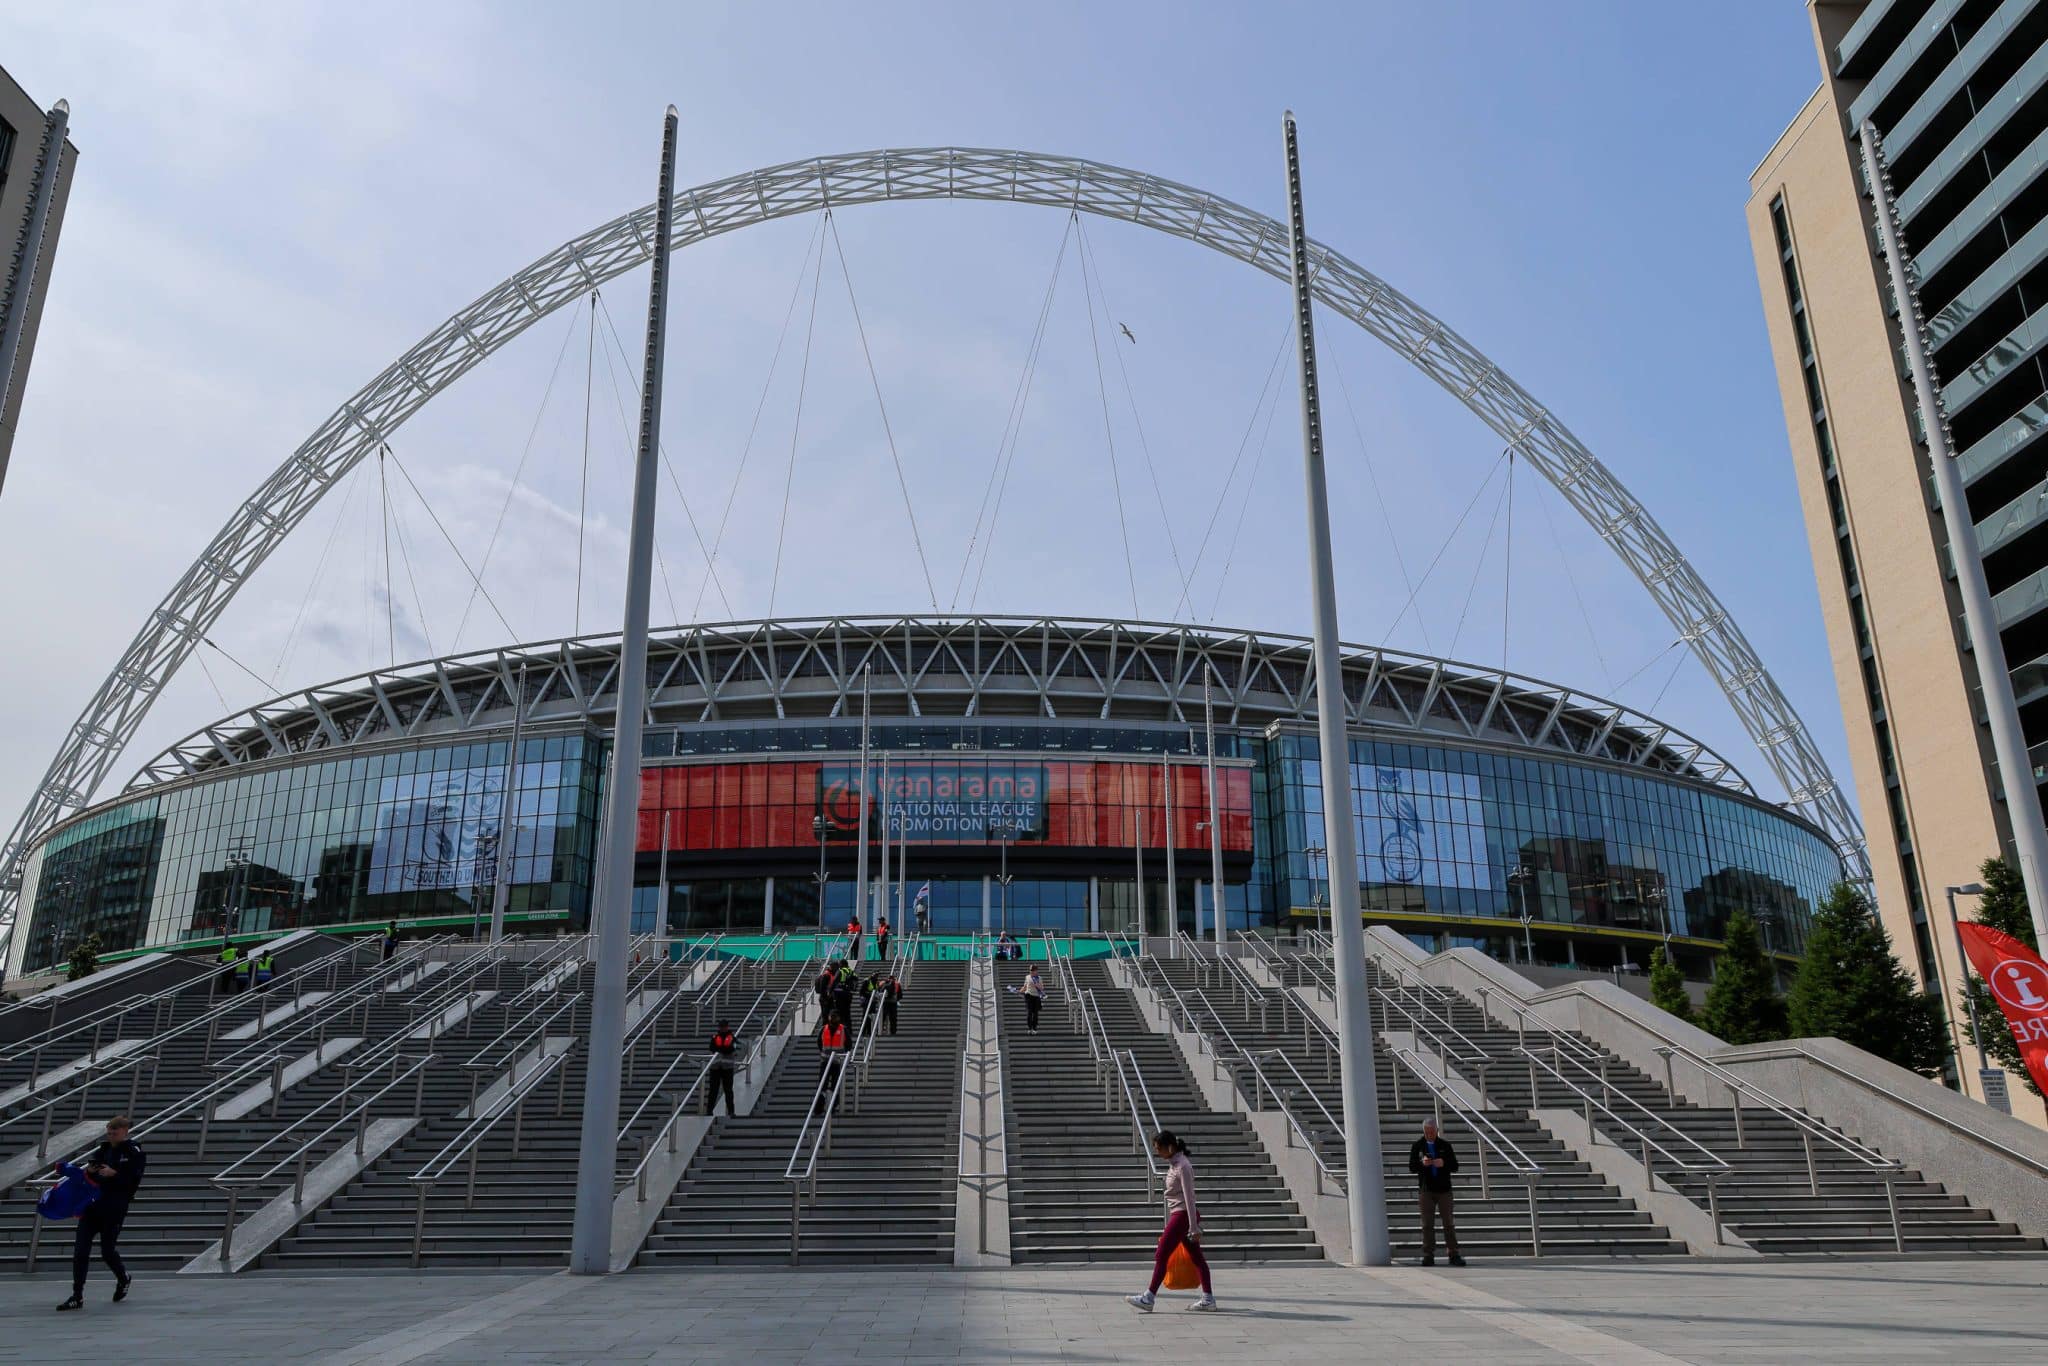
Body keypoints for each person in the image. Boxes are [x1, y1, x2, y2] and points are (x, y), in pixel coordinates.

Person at [55, 1116, 145, 1311]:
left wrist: (115, 1174)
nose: (112, 1135)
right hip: (92, 1206)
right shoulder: (103, 1150)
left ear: (125, 1131)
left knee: (107, 1250)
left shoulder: (133, 1152)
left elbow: (134, 1180)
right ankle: (77, 1295)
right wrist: (90, 1171)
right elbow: (90, 1175)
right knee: (81, 1250)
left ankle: (123, 1277)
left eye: (115, 1132)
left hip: (114, 1207)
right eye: (110, 1132)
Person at [1126, 1129, 1215, 1312]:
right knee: (1197, 1257)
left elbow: (1190, 1197)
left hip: (1183, 1216)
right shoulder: (1175, 1164)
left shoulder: (1183, 1166)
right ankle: (1208, 1298)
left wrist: (1193, 1227)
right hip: (1180, 1215)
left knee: (1161, 1254)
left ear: (1170, 1147)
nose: (1157, 1152)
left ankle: (1149, 1297)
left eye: (1159, 1149)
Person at [1410, 1117, 1465, 1267]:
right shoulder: (1418, 1146)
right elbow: (1412, 1167)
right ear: (1423, 1131)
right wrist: (1423, 1164)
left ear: (1437, 1131)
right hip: (1426, 1190)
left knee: (1448, 1222)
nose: (1429, 1135)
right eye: (1427, 1132)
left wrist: (1444, 1163)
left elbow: (1455, 1166)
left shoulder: (1445, 1146)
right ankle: (1428, 1254)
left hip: (1444, 1190)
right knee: (1427, 1224)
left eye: (1432, 1132)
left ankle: (1453, 1253)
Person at [705, 1018, 739, 1117]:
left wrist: (720, 1049)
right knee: (713, 1090)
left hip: (727, 1068)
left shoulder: (732, 1037)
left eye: (724, 1026)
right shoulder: (715, 1037)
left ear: (727, 1027)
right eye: (721, 1026)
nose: (722, 1028)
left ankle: (731, 1111)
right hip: (715, 1068)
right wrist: (723, 1048)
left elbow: (731, 1048)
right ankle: (709, 1111)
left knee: (728, 1090)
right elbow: (712, 1048)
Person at [816, 1010, 849, 1089]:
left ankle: (835, 1100)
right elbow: (819, 1042)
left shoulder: (843, 1029)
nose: (833, 1019)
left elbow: (848, 1044)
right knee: (822, 1084)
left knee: (835, 1084)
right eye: (832, 1016)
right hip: (825, 1061)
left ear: (838, 1018)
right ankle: (821, 1100)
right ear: (829, 1017)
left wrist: (844, 1054)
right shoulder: (824, 1029)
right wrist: (823, 1052)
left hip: (837, 1062)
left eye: (835, 1017)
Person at [1020, 964, 1045, 1034]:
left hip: (1036, 997)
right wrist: (1020, 991)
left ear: (1036, 971)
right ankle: (1029, 1028)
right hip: (1028, 996)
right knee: (1029, 1012)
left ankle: (1034, 1028)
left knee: (1035, 1014)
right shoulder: (1027, 977)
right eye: (1031, 970)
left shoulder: (1039, 978)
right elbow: (1025, 986)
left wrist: (1037, 985)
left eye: (1033, 970)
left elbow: (1042, 988)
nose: (1031, 971)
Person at [879, 972, 904, 1036]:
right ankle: (893, 1031)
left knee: (883, 1017)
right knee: (893, 1017)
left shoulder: (883, 983)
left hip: (885, 1002)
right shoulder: (897, 984)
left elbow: (879, 990)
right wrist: (897, 999)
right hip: (893, 1002)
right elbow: (900, 995)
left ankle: (879, 1030)